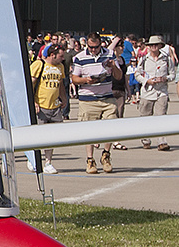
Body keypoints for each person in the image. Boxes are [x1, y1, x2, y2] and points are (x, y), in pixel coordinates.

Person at [72, 33, 119, 173]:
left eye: (96, 47)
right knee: (89, 130)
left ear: (101, 44)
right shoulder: (80, 57)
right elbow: (74, 78)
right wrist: (86, 80)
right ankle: (90, 160)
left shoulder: (110, 54)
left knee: (111, 126)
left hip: (107, 96)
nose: (93, 50)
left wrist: (113, 67)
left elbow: (119, 76)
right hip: (88, 98)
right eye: (91, 47)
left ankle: (106, 155)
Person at [27, 40, 66, 173]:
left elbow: (60, 84)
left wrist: (64, 98)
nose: (63, 58)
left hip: (55, 106)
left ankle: (48, 162)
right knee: (38, 136)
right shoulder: (39, 65)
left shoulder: (60, 67)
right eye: (60, 56)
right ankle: (33, 159)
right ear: (52, 55)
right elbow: (30, 85)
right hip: (41, 106)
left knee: (52, 136)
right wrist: (33, 102)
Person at [136, 36, 173, 151]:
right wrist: (146, 81)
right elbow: (137, 74)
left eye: (156, 45)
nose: (154, 47)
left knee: (160, 117)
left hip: (161, 92)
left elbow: (172, 75)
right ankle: (146, 140)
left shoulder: (166, 59)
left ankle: (161, 142)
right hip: (147, 92)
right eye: (151, 45)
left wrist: (165, 79)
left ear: (161, 46)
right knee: (145, 117)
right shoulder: (144, 59)